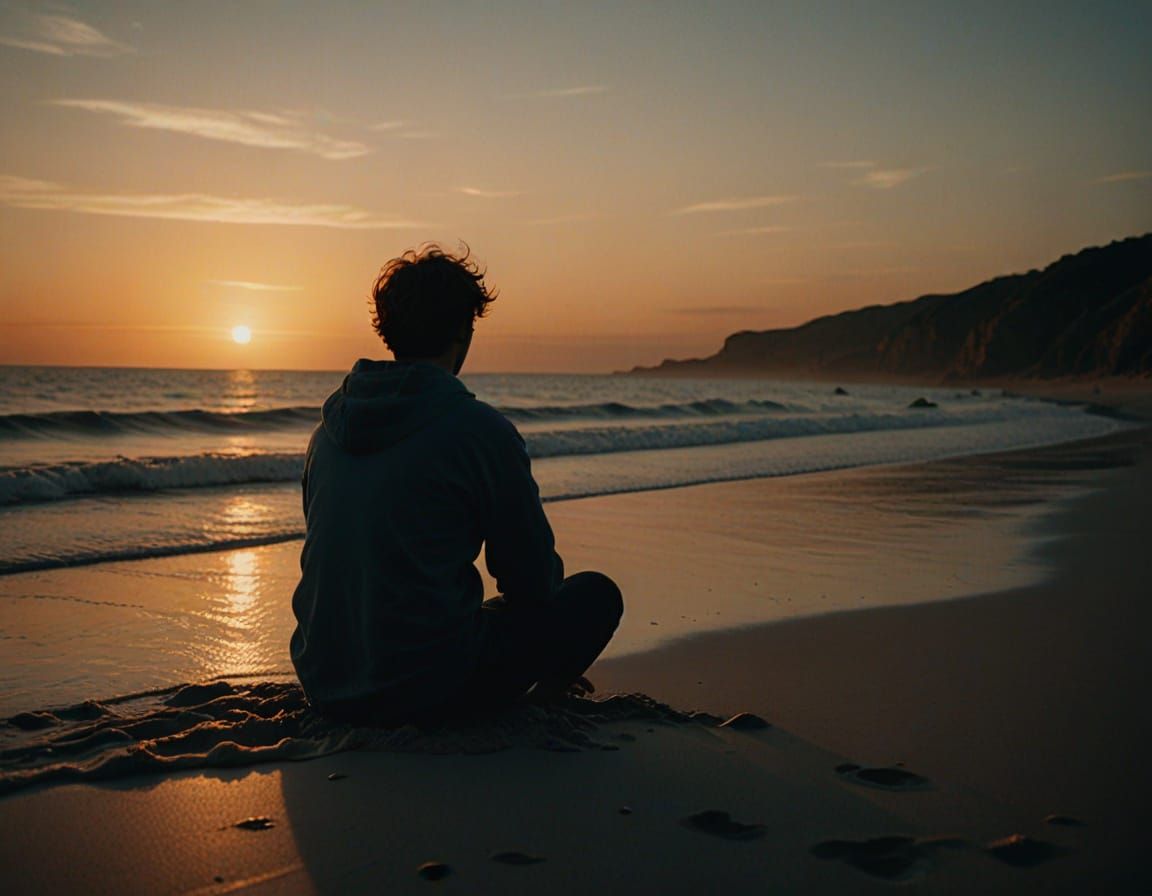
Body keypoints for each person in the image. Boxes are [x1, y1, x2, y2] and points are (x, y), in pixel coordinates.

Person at [290, 243, 623, 726]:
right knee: (595, 595)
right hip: (429, 689)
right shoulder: (479, 430)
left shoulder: (326, 435)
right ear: (464, 331)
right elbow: (531, 581)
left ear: (387, 330)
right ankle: (542, 701)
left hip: (324, 682)